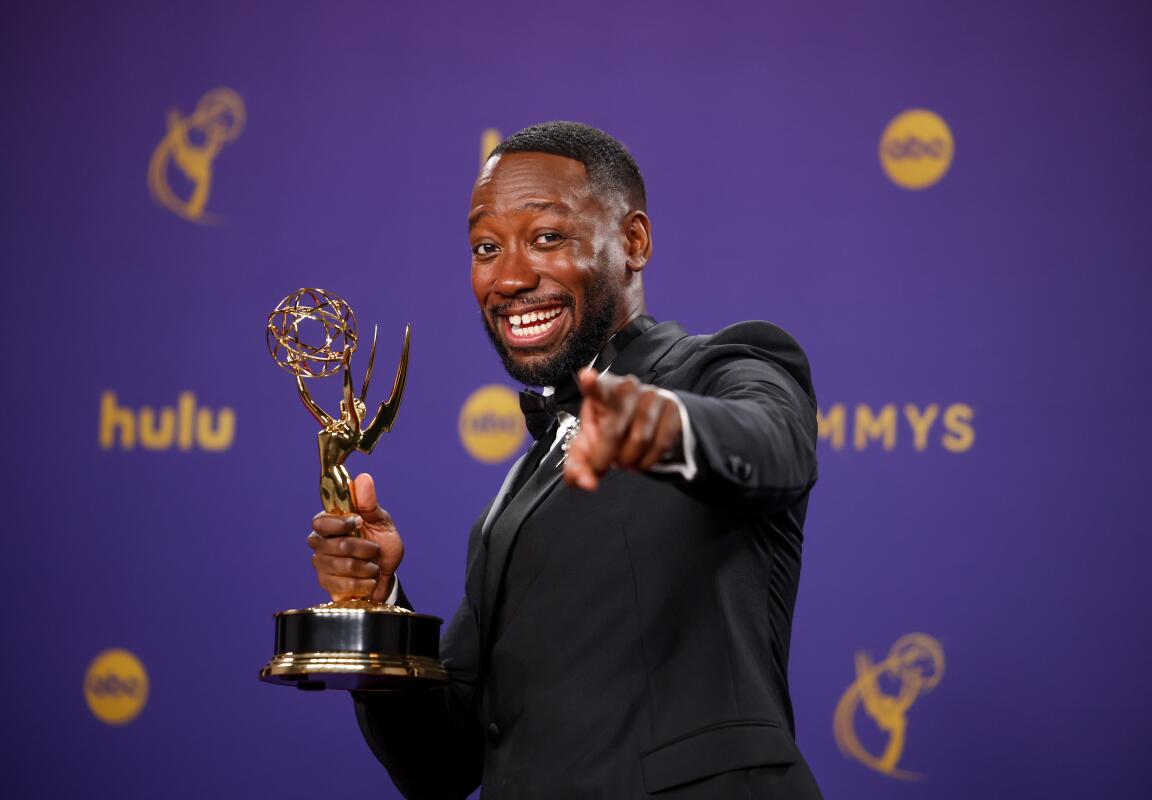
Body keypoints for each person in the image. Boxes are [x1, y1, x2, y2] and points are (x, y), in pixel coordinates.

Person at [307, 121, 822, 799]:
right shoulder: (514, 497)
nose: (512, 276)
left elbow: (773, 442)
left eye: (547, 237)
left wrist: (661, 423)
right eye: (486, 246)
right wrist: (378, 608)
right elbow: (443, 766)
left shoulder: (720, 368)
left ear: (633, 242)